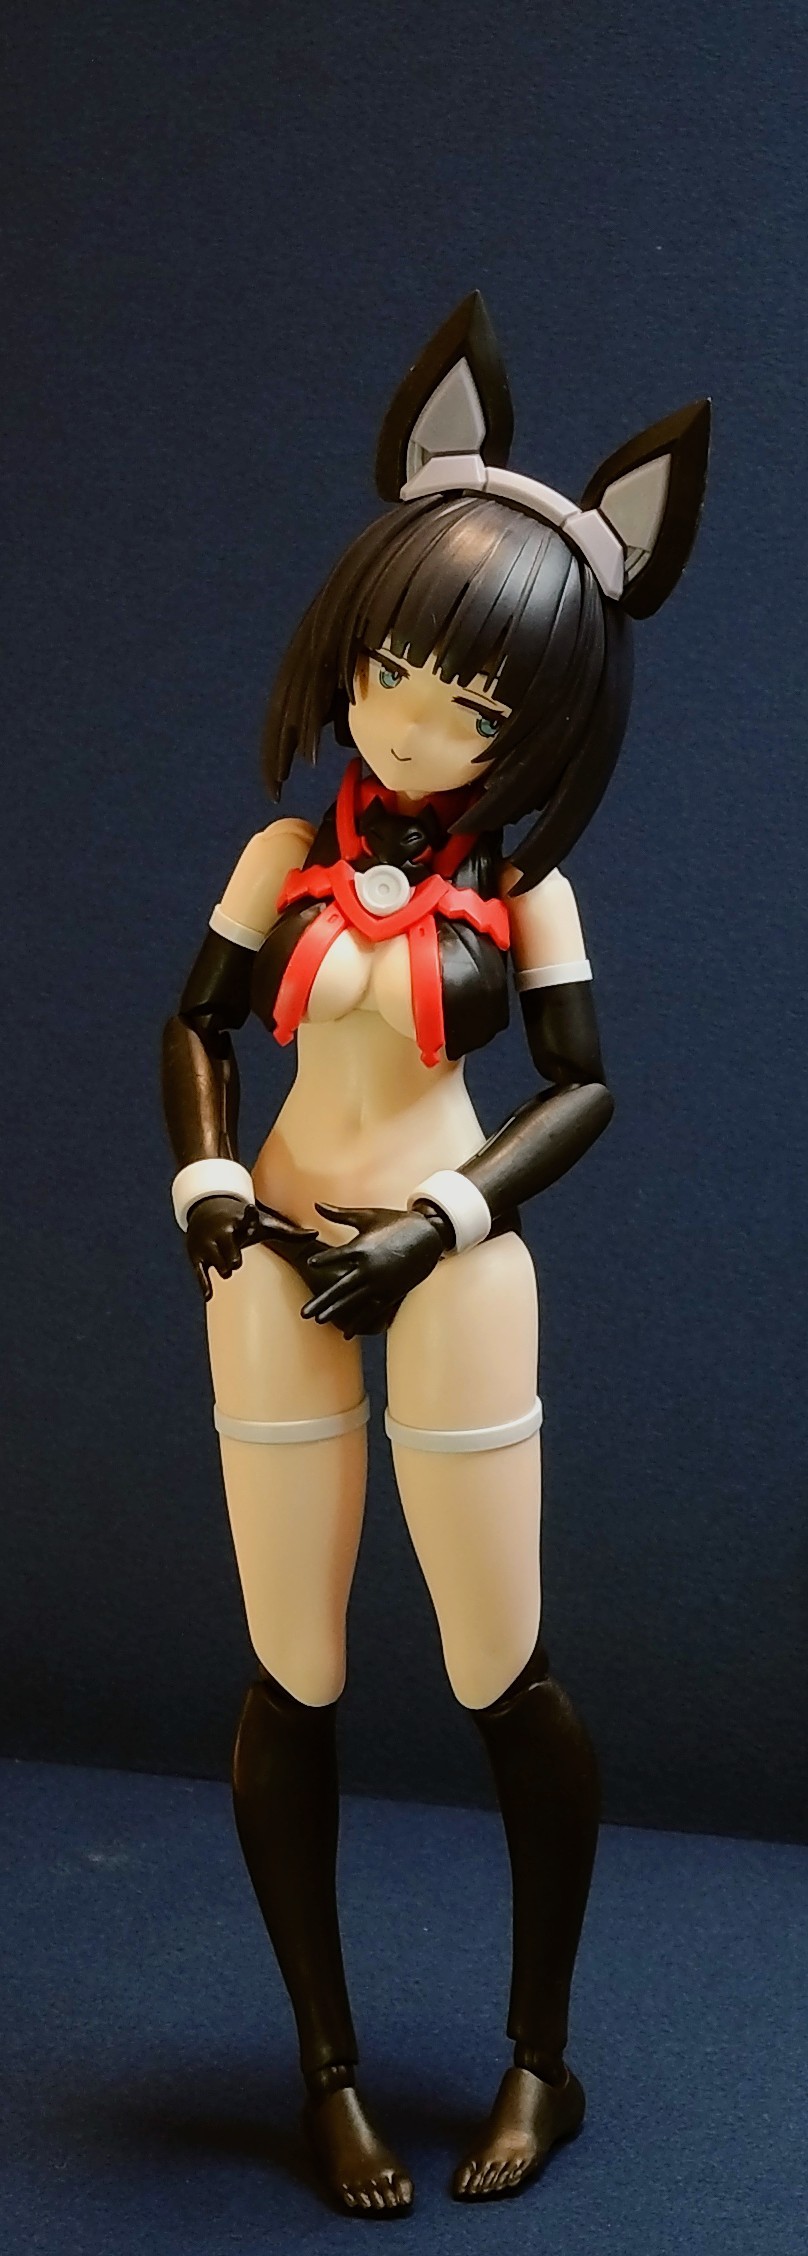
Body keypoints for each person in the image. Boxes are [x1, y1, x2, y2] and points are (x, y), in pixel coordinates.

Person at [162, 294, 709, 2214]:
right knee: (290, 1664)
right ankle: (326, 2071)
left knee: (498, 1663)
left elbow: (583, 1086)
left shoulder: (529, 891)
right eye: (391, 670)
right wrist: (207, 1184)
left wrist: (442, 1219)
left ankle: (541, 2056)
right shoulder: (278, 860)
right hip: (272, 1255)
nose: (410, 722)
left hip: (453, 1259)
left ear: (536, 725)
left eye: (471, 705)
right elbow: (197, 1024)